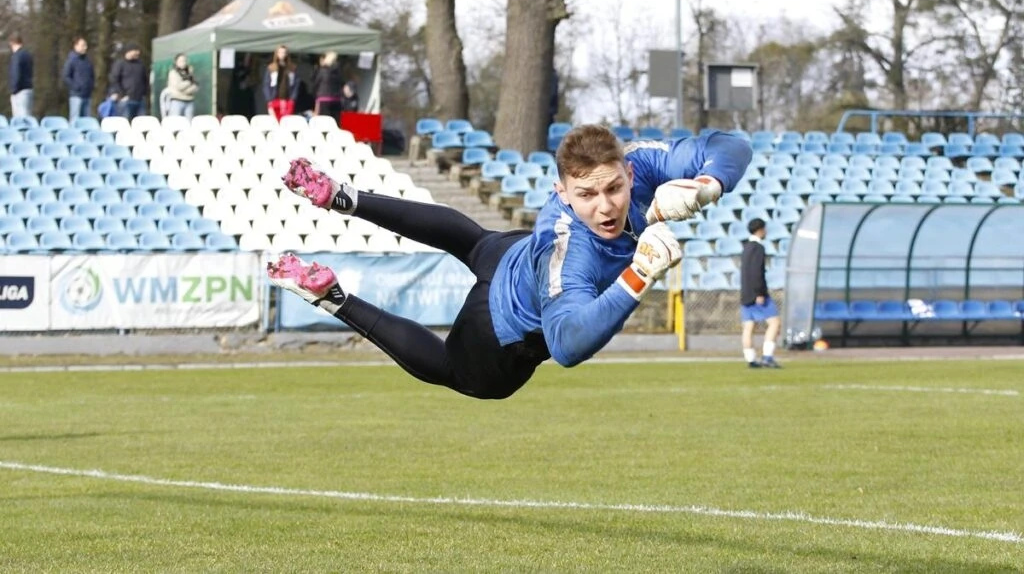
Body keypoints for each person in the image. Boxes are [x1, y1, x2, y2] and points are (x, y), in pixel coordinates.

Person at [267, 125, 752, 399]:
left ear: (629, 171)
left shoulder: (641, 161)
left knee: (472, 240)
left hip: (508, 252)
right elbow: (566, 344)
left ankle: (345, 197)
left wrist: (707, 184)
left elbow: (732, 145)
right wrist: (638, 274)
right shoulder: (570, 250)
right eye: (586, 195)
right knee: (451, 371)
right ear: (561, 191)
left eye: (613, 188)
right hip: (503, 330)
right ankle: (334, 299)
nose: (605, 206)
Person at [740, 218, 782, 369]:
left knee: (748, 326)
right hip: (757, 293)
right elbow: (757, 271)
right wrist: (759, 292)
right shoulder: (758, 248)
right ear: (760, 230)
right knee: (774, 322)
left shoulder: (746, 247)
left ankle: (750, 359)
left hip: (745, 293)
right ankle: (767, 357)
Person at [109, 43, 149, 120]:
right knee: (125, 121)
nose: (138, 53)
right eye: (136, 51)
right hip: (126, 99)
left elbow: (145, 79)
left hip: (140, 99)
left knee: (141, 122)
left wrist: (144, 93)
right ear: (129, 51)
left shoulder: (140, 64)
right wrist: (122, 94)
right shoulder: (120, 64)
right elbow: (114, 80)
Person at [61, 36, 94, 123]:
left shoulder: (88, 61)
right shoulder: (71, 60)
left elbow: (91, 75)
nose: (85, 47)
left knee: (87, 121)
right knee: (75, 120)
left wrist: (90, 86)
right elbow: (66, 76)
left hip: (87, 95)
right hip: (76, 96)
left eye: (85, 45)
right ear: (76, 46)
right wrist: (76, 87)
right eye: (82, 45)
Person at [262, 45, 299, 120]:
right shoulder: (271, 67)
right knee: (274, 120)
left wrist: (293, 99)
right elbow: (266, 84)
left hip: (288, 100)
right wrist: (269, 100)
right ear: (277, 54)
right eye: (280, 52)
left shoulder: (292, 68)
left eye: (284, 52)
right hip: (274, 99)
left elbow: (296, 84)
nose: (282, 54)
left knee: (286, 120)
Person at [166, 53, 199, 120]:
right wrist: (189, 82)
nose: (183, 63)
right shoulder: (173, 73)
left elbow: (196, 86)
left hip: (189, 101)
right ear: (176, 62)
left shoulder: (190, 72)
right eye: (181, 61)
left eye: (184, 61)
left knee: (189, 123)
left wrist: (187, 90)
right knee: (176, 123)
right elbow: (179, 87)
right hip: (177, 101)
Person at [7, 33, 33, 118]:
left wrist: (13, 90)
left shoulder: (16, 56)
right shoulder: (28, 55)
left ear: (12, 43)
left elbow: (16, 73)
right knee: (27, 116)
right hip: (28, 89)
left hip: (19, 92)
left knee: (19, 119)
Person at [311, 52, 343, 120]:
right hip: (336, 99)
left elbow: (316, 84)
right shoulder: (338, 72)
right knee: (335, 121)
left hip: (324, 99)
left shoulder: (322, 70)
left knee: (323, 121)